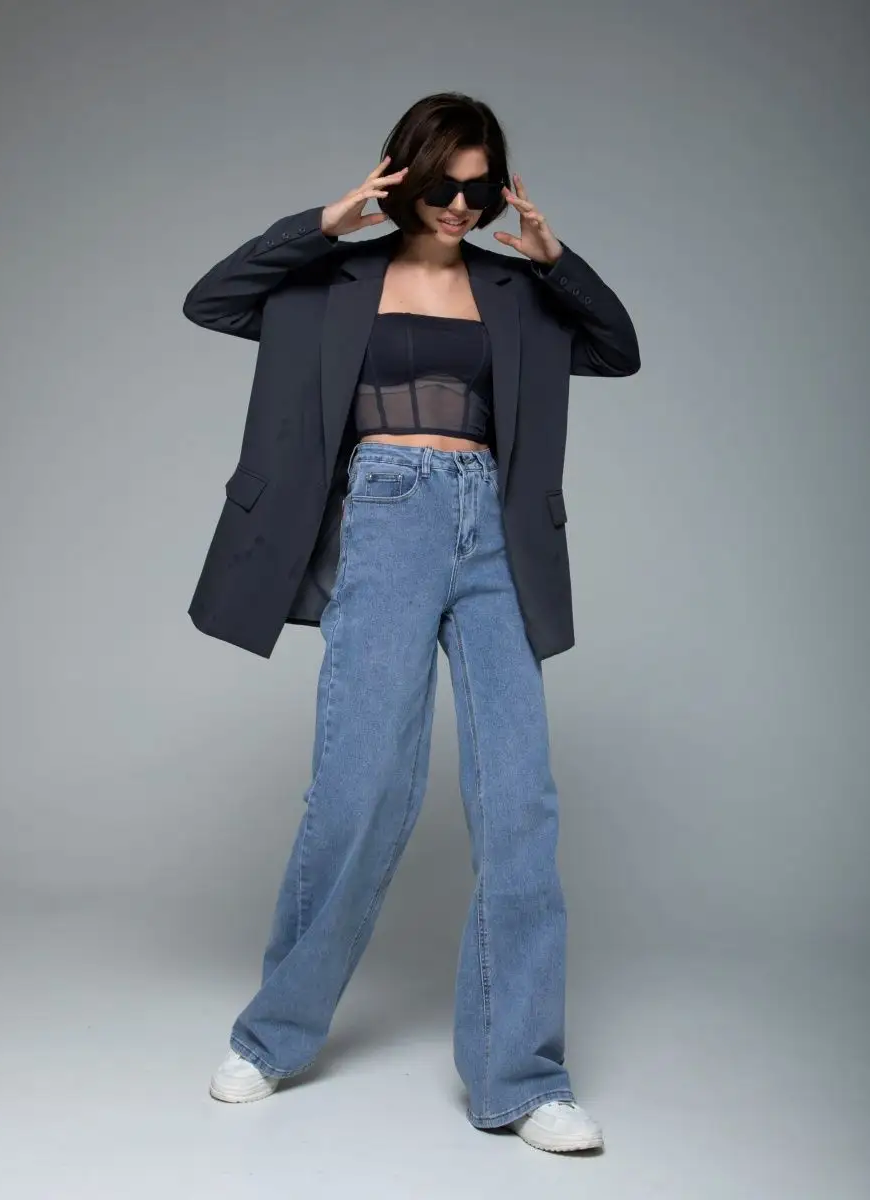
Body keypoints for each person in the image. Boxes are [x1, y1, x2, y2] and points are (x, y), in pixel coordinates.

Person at [182, 91, 640, 1154]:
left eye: (480, 189)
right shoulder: (331, 280)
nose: (460, 205)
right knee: (360, 790)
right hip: (385, 519)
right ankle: (274, 1034)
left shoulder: (520, 291)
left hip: (498, 538)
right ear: (400, 174)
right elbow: (213, 299)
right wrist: (321, 225)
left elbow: (617, 348)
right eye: (441, 184)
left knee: (519, 803)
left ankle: (523, 1078)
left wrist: (557, 259)